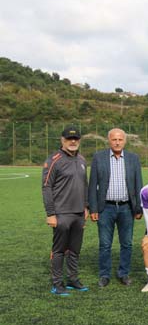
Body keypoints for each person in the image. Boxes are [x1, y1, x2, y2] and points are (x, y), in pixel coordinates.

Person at [88, 128, 143, 288]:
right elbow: (92, 185)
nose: (117, 142)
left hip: (126, 208)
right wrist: (93, 208)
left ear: (124, 141)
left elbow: (138, 184)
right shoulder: (99, 157)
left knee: (127, 243)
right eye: (114, 139)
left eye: (120, 139)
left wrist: (138, 208)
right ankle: (104, 275)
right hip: (105, 208)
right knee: (105, 244)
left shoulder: (133, 158)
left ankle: (123, 273)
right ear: (109, 141)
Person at [42, 125, 89, 296]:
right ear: (62, 140)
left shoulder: (82, 160)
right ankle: (57, 283)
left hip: (79, 213)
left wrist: (86, 206)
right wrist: (50, 214)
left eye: (76, 139)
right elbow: (46, 187)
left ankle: (72, 280)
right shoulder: (54, 160)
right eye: (69, 139)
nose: (73, 141)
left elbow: (85, 185)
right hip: (61, 213)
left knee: (75, 250)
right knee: (59, 250)